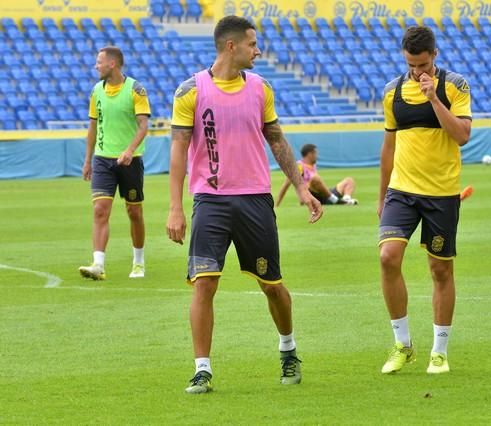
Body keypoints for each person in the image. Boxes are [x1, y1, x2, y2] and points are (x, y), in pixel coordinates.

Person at [166, 16, 323, 394]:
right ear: (231, 46)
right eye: (253, 44)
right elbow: (178, 150)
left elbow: (278, 140)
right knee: (204, 284)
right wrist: (174, 206)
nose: (259, 50)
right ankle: (202, 369)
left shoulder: (260, 88)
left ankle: (288, 350)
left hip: (255, 199)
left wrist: (301, 188)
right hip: (210, 201)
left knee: (272, 286)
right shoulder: (190, 91)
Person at [378, 26, 471, 375]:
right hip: (402, 190)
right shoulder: (392, 92)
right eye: (410, 64)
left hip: (441, 193)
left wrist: (433, 98)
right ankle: (402, 344)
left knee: (440, 269)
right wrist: (381, 194)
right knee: (388, 257)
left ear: (434, 55)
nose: (417, 71)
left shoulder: (454, 86)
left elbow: (462, 135)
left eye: (422, 64)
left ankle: (439, 351)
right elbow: (388, 146)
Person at [79, 46, 150, 280]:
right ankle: (98, 264)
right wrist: (88, 160)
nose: (96, 66)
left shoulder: (136, 89)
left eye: (99, 61)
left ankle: (138, 262)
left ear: (112, 64)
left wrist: (129, 150)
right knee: (100, 210)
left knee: (134, 211)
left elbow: (143, 126)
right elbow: (92, 127)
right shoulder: (96, 91)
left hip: (130, 161)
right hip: (102, 160)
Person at [275, 143, 358, 206]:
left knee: (349, 180)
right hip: (313, 197)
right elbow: (286, 185)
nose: (317, 156)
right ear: (310, 154)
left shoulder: (313, 165)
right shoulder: (298, 166)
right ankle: (336, 200)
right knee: (315, 179)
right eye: (315, 153)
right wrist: (276, 205)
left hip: (324, 194)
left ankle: (346, 199)